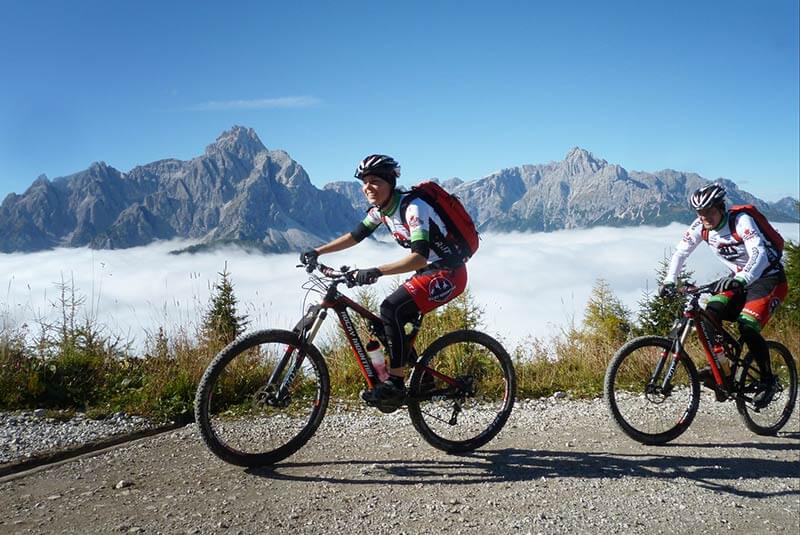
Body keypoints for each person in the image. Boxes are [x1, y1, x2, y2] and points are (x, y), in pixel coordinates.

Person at [299, 154, 469, 406]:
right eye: (364, 182)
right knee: (381, 325)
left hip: (449, 272)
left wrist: (376, 271)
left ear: (390, 182)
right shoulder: (382, 210)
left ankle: (395, 384)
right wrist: (318, 251)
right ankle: (423, 378)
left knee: (391, 308)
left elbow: (419, 258)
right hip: (429, 270)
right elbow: (355, 236)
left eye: (375, 181)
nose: (368, 187)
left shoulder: (413, 208)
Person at [660, 183, 788, 406]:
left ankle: (768, 381)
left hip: (768, 279)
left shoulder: (741, 221)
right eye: (700, 212)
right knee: (709, 315)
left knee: (747, 326)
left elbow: (758, 253)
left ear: (721, 207)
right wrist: (670, 280)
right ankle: (723, 370)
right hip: (738, 279)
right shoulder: (701, 226)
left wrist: (742, 278)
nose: (704, 217)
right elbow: (681, 252)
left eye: (709, 211)